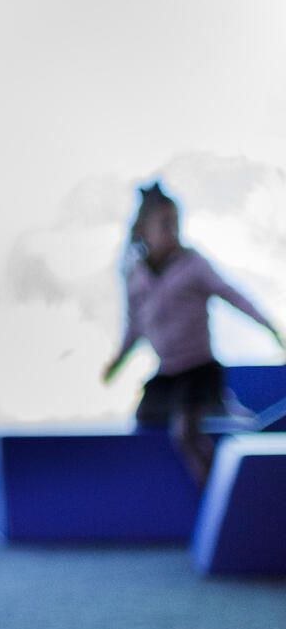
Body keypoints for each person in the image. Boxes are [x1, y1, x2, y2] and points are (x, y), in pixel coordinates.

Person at [101, 180, 283, 486]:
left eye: (175, 223)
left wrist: (271, 328)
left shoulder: (192, 264)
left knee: (185, 431)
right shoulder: (136, 275)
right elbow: (134, 326)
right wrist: (116, 362)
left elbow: (233, 295)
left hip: (199, 370)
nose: (172, 231)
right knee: (145, 418)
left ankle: (217, 489)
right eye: (164, 224)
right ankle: (223, 408)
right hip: (169, 373)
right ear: (144, 229)